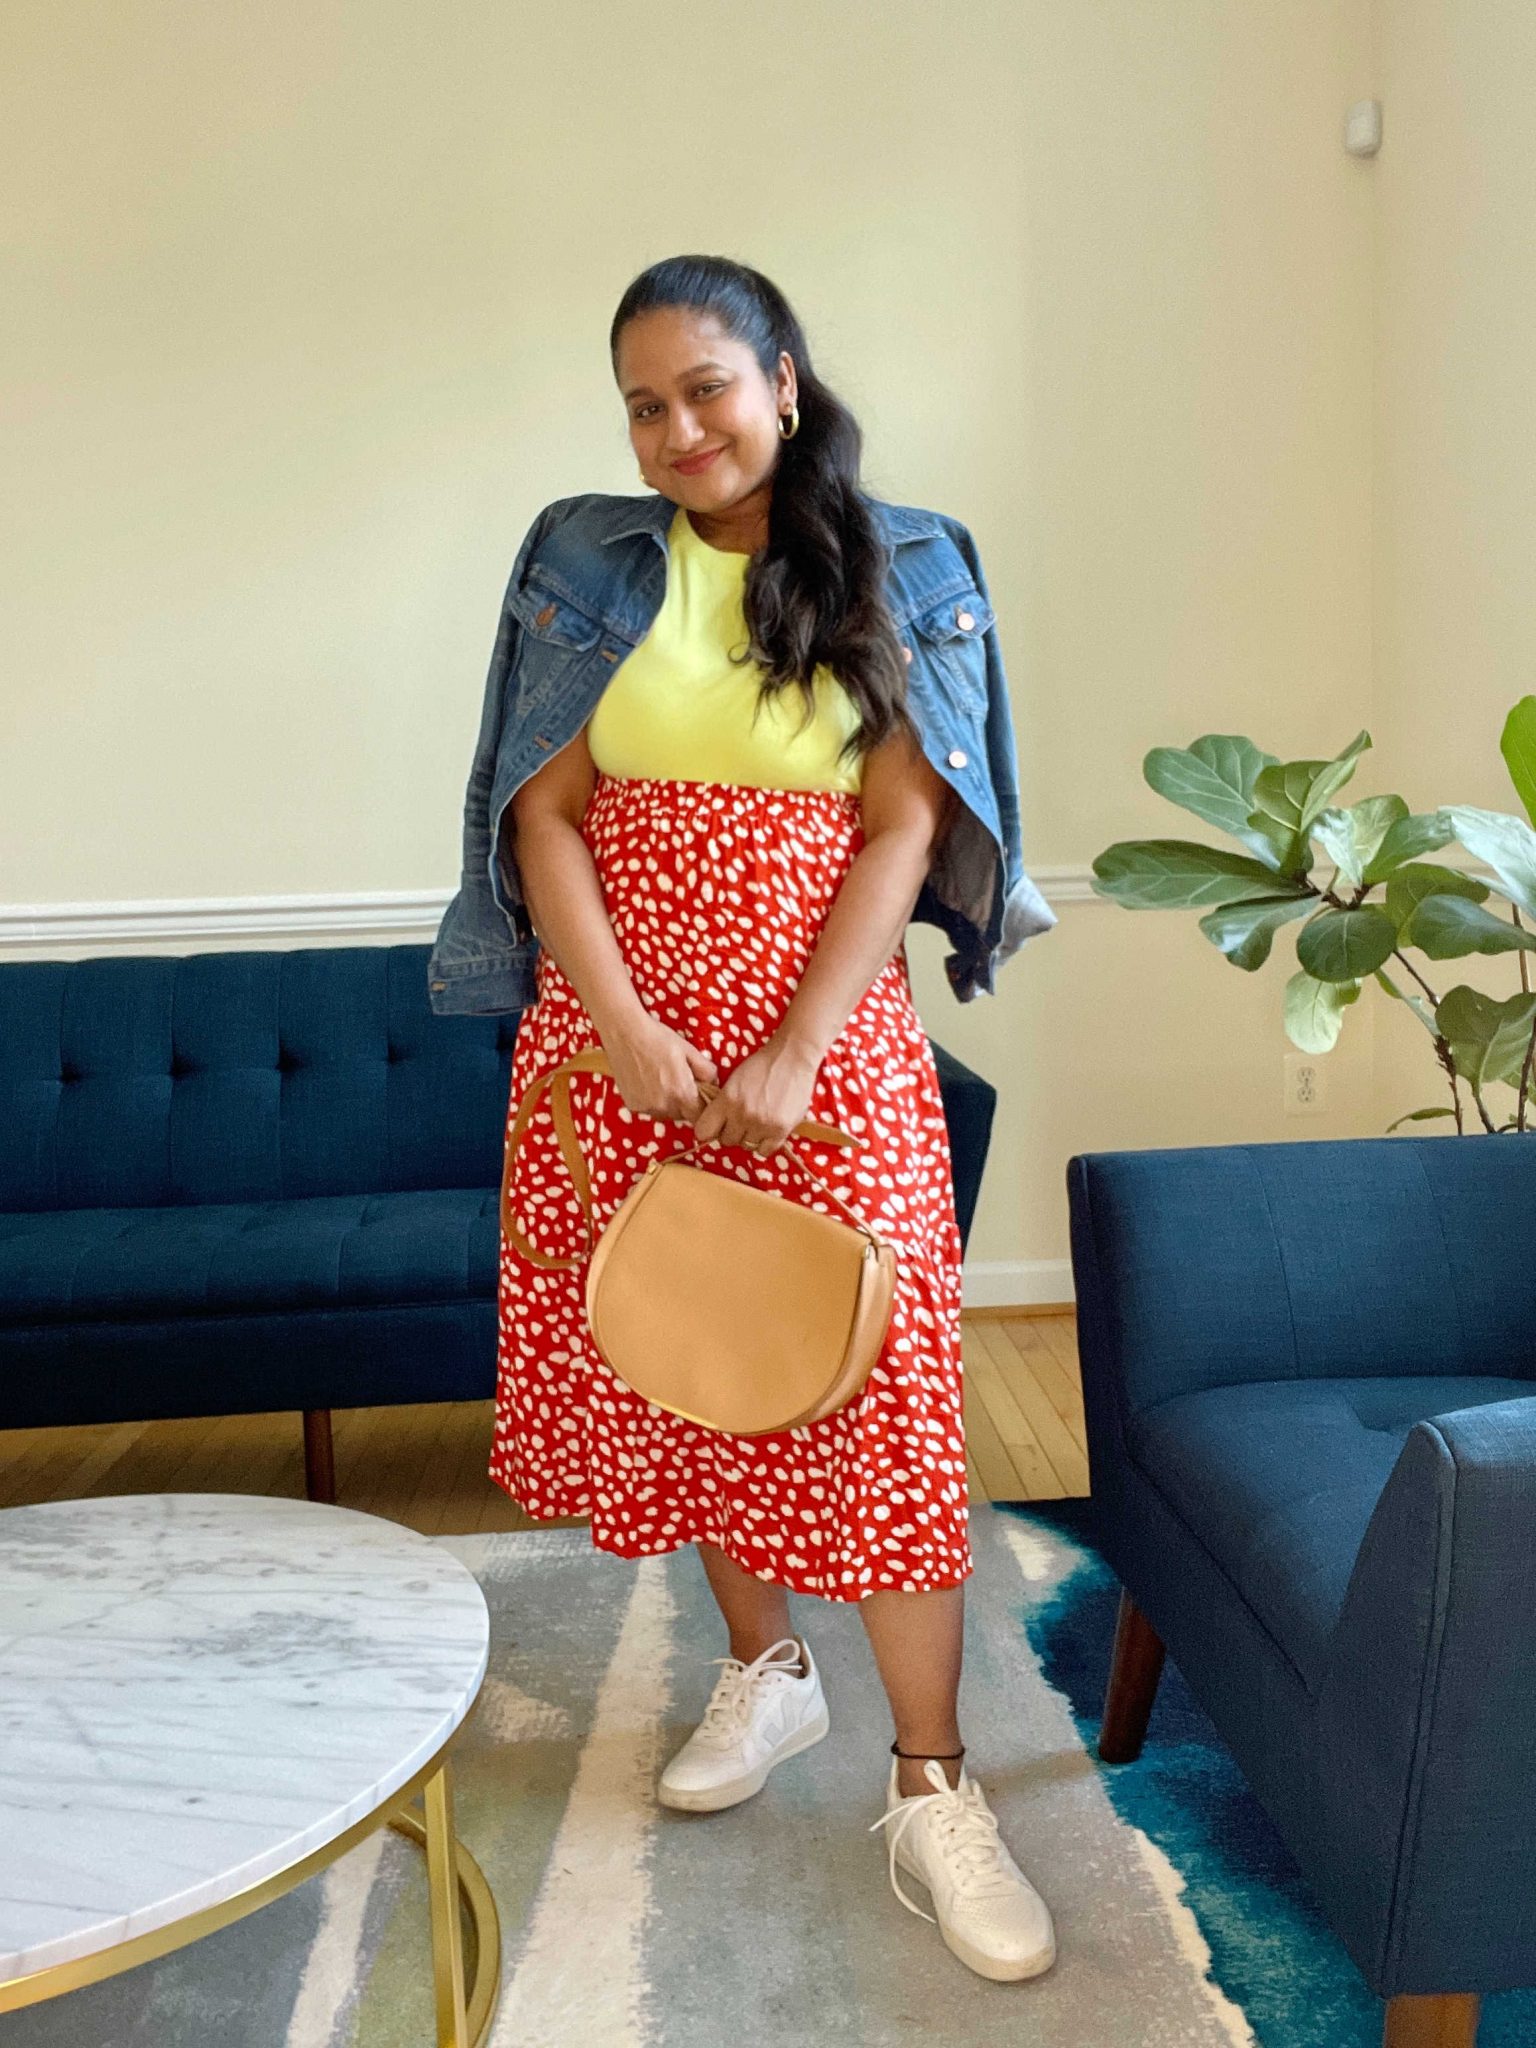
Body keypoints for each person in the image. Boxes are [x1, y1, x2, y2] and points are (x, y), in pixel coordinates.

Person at [477, 254, 1054, 1983]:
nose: (675, 432)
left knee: (880, 1411)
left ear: (784, 380)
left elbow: (901, 826)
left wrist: (802, 1045)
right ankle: (769, 1668)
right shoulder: (586, 565)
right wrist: (626, 1025)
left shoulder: (907, 563)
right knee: (690, 1366)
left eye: (705, 390)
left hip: (828, 1042)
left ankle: (936, 1783)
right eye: (642, 406)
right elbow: (543, 814)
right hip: (616, 1045)